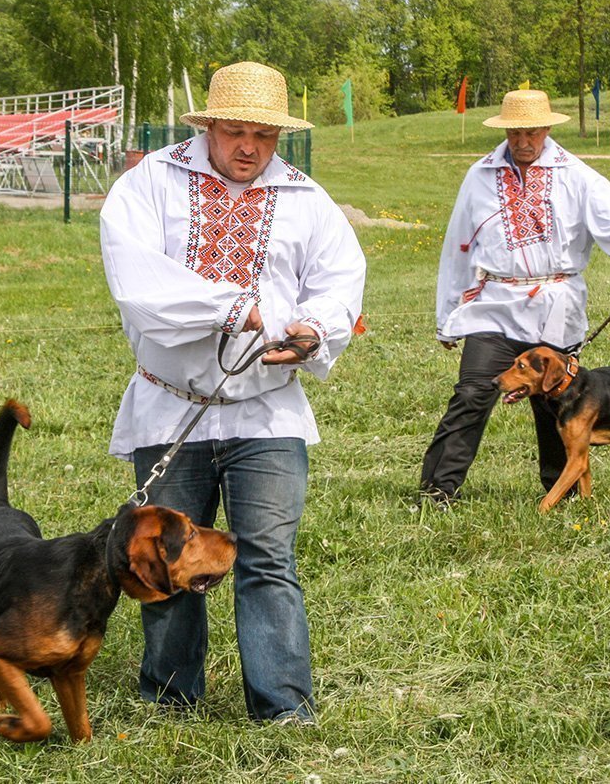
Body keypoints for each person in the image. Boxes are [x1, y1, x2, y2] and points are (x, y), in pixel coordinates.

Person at [99, 61, 366, 724]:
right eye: (236, 131)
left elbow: (339, 284)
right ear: (208, 125)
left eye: (265, 135)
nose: (250, 146)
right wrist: (240, 307)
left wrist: (313, 330)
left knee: (267, 558)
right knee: (164, 564)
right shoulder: (150, 186)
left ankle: (283, 710)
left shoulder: (306, 199)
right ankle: (169, 698)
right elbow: (140, 287)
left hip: (267, 408)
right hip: (171, 405)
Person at [420, 89, 610, 506]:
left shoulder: (575, 175)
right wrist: (449, 312)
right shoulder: (480, 175)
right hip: (495, 303)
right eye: (516, 132)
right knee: (472, 392)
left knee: (556, 402)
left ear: (547, 128)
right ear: (505, 130)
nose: (524, 141)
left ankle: (558, 492)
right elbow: (458, 245)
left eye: (533, 131)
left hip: (555, 307)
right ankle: (438, 490)